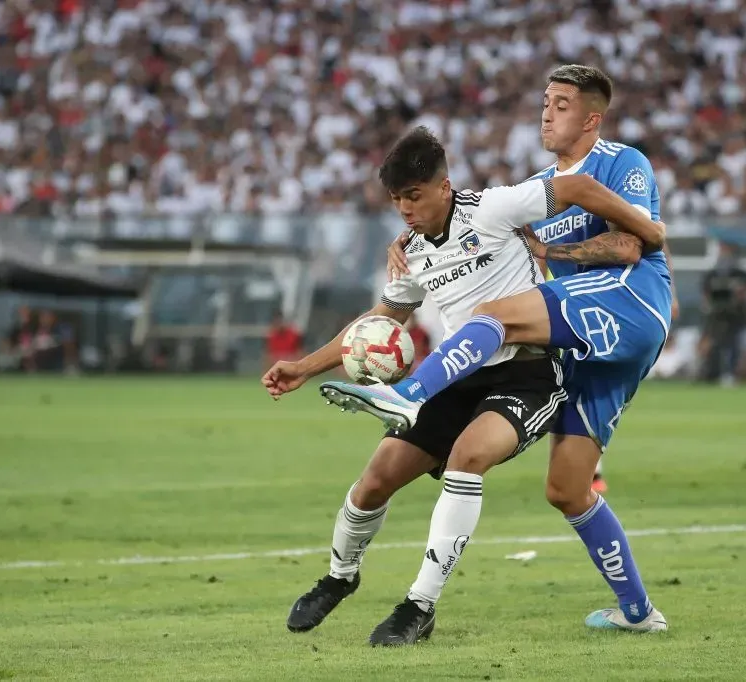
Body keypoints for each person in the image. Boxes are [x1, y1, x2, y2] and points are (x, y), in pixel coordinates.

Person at [261, 126, 665, 645]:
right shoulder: (411, 252)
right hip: (460, 373)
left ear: (444, 186)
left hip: (529, 374)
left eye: (414, 196)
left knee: (467, 458)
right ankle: (339, 578)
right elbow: (381, 321)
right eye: (396, 200)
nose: (405, 209)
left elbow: (571, 189)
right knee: (377, 479)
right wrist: (304, 367)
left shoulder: (492, 209)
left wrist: (646, 229)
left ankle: (419, 605)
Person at [701, 242, 746, 385]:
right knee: (714, 345)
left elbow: (743, 293)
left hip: (735, 316)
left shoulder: (740, 274)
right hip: (716, 316)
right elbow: (706, 295)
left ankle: (731, 373)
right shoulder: (712, 274)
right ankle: (712, 373)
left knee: (733, 345)